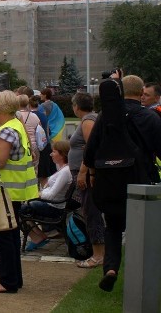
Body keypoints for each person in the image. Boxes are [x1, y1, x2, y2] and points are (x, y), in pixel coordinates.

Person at [84, 75, 161, 292]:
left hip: (110, 180)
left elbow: (90, 151)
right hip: (140, 179)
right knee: (142, 229)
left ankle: (111, 268)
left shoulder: (105, 117)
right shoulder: (150, 117)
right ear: (141, 93)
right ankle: (140, 273)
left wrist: (91, 171)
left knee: (113, 228)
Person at [0, 90, 38, 294]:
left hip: (5, 190)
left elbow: (0, 161)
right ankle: (13, 278)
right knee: (11, 235)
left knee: (3, 236)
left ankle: (8, 281)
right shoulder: (16, 125)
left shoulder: (6, 131)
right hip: (16, 190)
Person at [69, 93, 104, 269]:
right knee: (89, 210)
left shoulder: (88, 120)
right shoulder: (90, 119)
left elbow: (91, 148)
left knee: (91, 212)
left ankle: (98, 255)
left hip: (87, 175)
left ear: (76, 106)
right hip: (85, 172)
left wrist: (84, 172)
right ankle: (98, 251)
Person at [21, 140, 72, 251]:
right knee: (24, 206)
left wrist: (37, 194)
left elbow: (52, 194)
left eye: (53, 152)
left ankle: (37, 237)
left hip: (54, 207)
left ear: (62, 154)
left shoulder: (65, 172)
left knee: (20, 210)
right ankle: (39, 235)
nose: (51, 154)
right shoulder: (63, 169)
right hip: (53, 204)